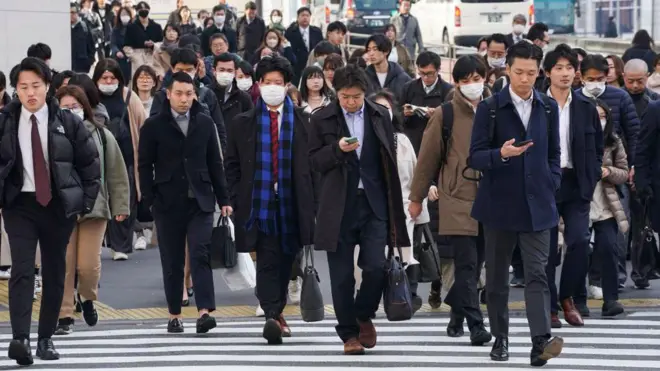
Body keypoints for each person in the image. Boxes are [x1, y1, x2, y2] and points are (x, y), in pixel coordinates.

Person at [468, 41, 563, 366]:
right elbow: (475, 156)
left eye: (532, 73)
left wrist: (552, 181)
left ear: (540, 73)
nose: (525, 79)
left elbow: (554, 154)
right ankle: (501, 338)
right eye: (519, 72)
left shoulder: (548, 107)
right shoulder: (490, 107)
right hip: (499, 206)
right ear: (507, 69)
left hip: (539, 206)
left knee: (537, 275)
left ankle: (540, 342)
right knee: (496, 278)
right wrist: (501, 154)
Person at [0, 57, 100, 365]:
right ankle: (20, 339)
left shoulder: (67, 122)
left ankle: (45, 338)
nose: (30, 93)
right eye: (23, 87)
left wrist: (81, 203)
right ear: (15, 90)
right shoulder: (4, 122)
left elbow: (89, 165)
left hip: (57, 206)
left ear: (48, 88)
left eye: (36, 86)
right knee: (22, 269)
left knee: (57, 271)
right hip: (20, 204)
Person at [308, 64, 409, 355]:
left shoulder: (380, 115)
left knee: (376, 267)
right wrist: (337, 149)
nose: (350, 102)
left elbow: (387, 160)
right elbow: (313, 161)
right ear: (335, 93)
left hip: (374, 202)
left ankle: (363, 314)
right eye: (344, 96)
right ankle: (349, 334)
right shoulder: (322, 118)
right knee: (341, 277)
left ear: (364, 93)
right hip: (337, 205)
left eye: (355, 96)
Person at [225, 55, 315, 345]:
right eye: (268, 82)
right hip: (258, 203)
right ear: (259, 84)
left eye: (279, 83)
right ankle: (272, 315)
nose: (273, 87)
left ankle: (276, 311)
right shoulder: (243, 123)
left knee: (288, 260)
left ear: (287, 85)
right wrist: (237, 197)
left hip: (293, 201)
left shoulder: (304, 120)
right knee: (266, 259)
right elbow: (232, 165)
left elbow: (313, 165)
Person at [138, 71, 232, 334]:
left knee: (201, 253)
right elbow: (144, 166)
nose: (184, 99)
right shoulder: (153, 125)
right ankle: (174, 314)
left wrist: (224, 199)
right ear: (168, 94)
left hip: (200, 199)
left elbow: (215, 163)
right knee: (172, 259)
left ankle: (204, 312)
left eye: (189, 94)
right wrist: (150, 198)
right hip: (167, 202)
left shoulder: (204, 123)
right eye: (178, 93)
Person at [409, 54, 492, 344]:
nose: (472, 85)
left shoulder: (496, 109)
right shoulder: (446, 114)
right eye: (465, 80)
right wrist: (417, 197)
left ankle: (457, 316)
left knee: (479, 264)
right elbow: (427, 160)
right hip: (457, 196)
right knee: (467, 265)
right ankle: (476, 325)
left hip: (493, 198)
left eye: (477, 79)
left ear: (485, 78)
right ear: (456, 83)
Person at [54, 85, 130, 335]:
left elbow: (117, 173)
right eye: (65, 107)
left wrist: (120, 205)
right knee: (64, 264)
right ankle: (64, 315)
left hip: (94, 208)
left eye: (74, 107)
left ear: (84, 108)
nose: (70, 112)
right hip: (61, 209)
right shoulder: (49, 134)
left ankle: (87, 298)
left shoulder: (101, 135)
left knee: (88, 266)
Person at [542, 44, 603, 329]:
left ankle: (567, 296)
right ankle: (550, 304)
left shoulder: (586, 107)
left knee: (579, 241)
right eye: (559, 68)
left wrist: (590, 177)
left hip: (577, 182)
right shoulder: (538, 105)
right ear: (548, 72)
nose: (565, 73)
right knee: (546, 248)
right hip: (545, 183)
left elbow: (598, 147)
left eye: (569, 68)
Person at [589, 99, 628, 316]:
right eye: (595, 116)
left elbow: (622, 172)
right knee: (577, 249)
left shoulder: (613, 141)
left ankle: (611, 299)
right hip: (580, 203)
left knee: (609, 248)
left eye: (603, 117)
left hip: (606, 203)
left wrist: (607, 172)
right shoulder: (574, 139)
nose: (600, 121)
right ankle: (576, 299)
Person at [364, 34, 412, 101]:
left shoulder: (403, 78)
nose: (371, 54)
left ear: (386, 51)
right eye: (369, 50)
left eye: (375, 49)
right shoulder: (363, 77)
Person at [285, 7, 323, 86]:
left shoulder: (316, 31)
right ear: (298, 17)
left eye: (307, 15)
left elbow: (321, 47)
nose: (305, 17)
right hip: (297, 66)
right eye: (302, 15)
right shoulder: (290, 32)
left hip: (313, 64)